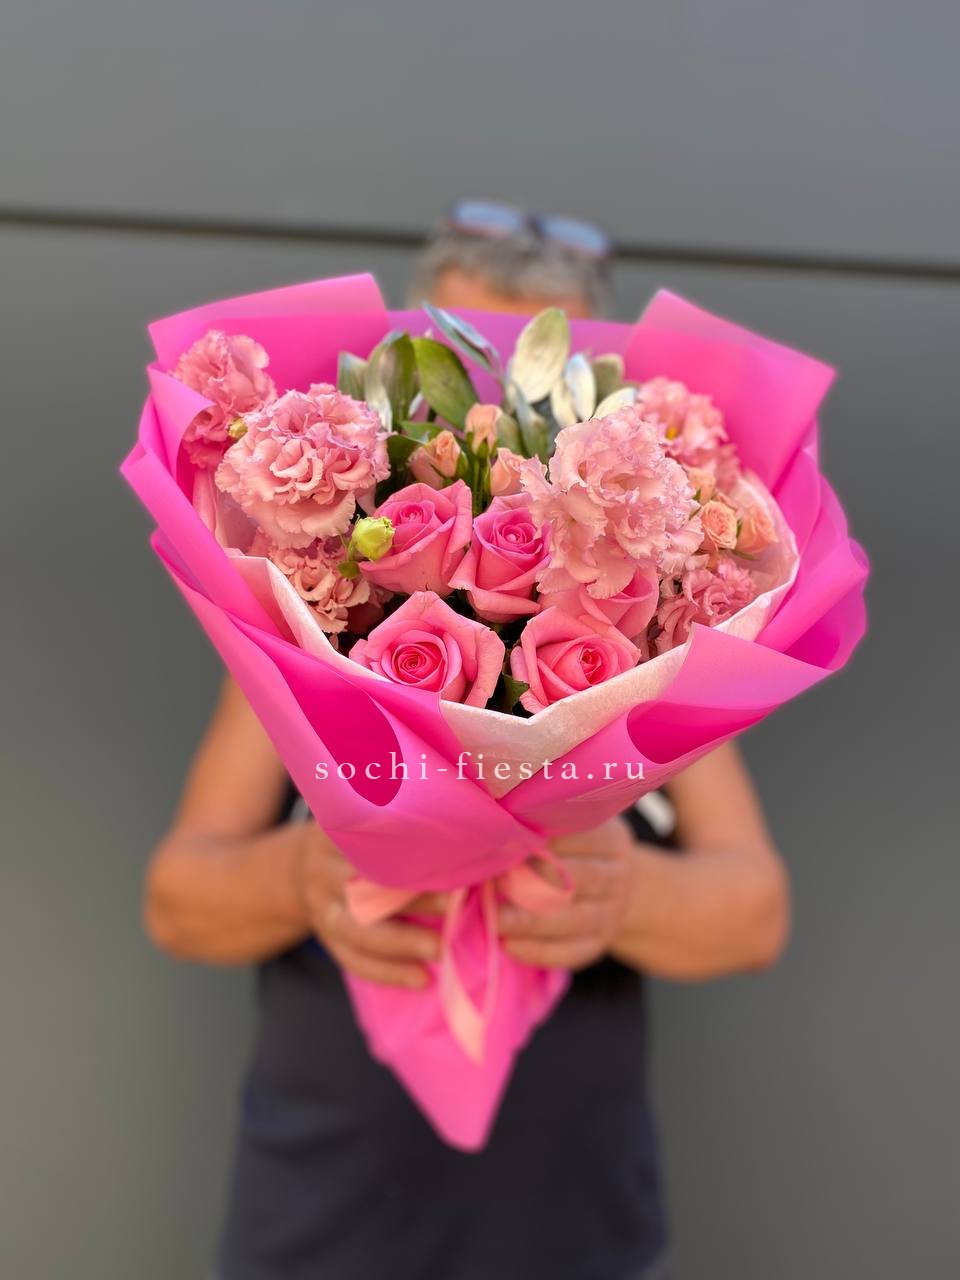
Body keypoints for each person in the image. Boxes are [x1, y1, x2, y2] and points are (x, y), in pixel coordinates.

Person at [145, 202, 790, 1280]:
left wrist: (624, 893)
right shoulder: (300, 626)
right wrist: (305, 875)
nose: (495, 411)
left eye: (538, 382)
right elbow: (179, 898)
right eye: (455, 364)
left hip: (577, 1234)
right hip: (319, 1228)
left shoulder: (661, 651)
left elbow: (754, 912)